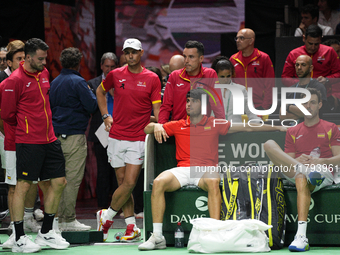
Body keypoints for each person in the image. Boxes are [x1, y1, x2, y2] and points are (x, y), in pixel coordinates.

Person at [138, 89, 286, 251]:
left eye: (193, 101)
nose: (189, 104)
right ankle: (158, 237)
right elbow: (147, 129)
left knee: (213, 181)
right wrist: (157, 125)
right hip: (183, 170)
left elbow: (248, 127)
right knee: (159, 182)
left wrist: (278, 128)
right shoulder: (178, 124)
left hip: (205, 170)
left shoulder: (214, 123)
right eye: (187, 101)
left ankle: (216, 233)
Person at [1, 38, 69, 253]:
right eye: (40, 59)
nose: (44, 62)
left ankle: (46, 232)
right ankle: (19, 237)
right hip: (28, 141)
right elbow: (7, 115)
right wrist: (27, 126)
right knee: (23, 185)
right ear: (28, 57)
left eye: (45, 58)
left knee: (59, 182)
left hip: (50, 138)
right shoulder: (13, 81)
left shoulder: (44, 73)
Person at [96, 38, 161, 242]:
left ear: (141, 53)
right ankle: (131, 226)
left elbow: (157, 110)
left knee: (130, 183)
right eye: (127, 52)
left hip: (138, 138)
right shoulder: (115, 74)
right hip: (115, 137)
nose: (130, 55)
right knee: (123, 183)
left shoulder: (152, 78)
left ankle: (105, 217)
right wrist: (106, 115)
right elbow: (100, 91)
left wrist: (160, 124)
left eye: (134, 52)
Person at [264, 88, 340, 252]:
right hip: (297, 167)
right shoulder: (293, 130)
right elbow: (288, 158)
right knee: (268, 144)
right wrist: (297, 161)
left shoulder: (331, 127)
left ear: (319, 105)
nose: (308, 106)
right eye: (304, 103)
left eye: (312, 102)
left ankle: (301, 236)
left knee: (301, 178)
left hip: (321, 170)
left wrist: (321, 160)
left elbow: (339, 158)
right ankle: (302, 169)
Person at [0, 40, 42, 250]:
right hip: (12, 142)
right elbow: (5, 116)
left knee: (24, 185)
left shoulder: (34, 78)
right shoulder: (8, 82)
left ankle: (17, 232)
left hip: (29, 142)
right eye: (18, 59)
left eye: (24, 58)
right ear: (9, 62)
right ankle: (17, 235)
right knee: (14, 187)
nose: (22, 61)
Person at [50, 47, 97, 231]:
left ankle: (55, 220)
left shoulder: (54, 82)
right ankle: (67, 220)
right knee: (72, 179)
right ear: (79, 63)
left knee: (56, 180)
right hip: (74, 137)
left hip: (54, 137)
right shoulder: (78, 82)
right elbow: (92, 105)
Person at [159, 40, 225, 124]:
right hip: (178, 129)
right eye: (185, 56)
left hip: (201, 129)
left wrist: (222, 124)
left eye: (191, 57)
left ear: (201, 58)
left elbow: (217, 104)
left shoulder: (210, 74)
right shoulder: (175, 76)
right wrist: (161, 126)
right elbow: (166, 106)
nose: (186, 61)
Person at [87, 52, 118, 210]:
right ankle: (101, 208)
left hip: (120, 133)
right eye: (107, 66)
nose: (109, 69)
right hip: (101, 134)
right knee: (103, 171)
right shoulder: (92, 84)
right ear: (101, 66)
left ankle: (116, 207)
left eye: (112, 66)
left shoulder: (121, 83)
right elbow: (90, 107)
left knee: (117, 172)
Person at [230, 28, 275, 110]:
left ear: (251, 41)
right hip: (238, 106)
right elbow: (230, 84)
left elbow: (270, 84)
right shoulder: (233, 59)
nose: (237, 41)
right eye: (237, 38)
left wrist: (265, 107)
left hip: (259, 106)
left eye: (242, 38)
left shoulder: (263, 58)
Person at [280, 55, 329, 123]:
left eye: (303, 65)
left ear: (311, 68)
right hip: (292, 129)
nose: (299, 68)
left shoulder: (318, 87)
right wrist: (305, 113)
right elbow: (282, 116)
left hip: (312, 129)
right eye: (297, 65)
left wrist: (288, 107)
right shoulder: (290, 89)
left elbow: (315, 113)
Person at [211, 56, 261, 122]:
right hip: (216, 129)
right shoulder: (210, 90)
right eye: (222, 77)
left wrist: (259, 122)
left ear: (232, 73)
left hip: (236, 129)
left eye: (228, 76)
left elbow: (252, 114)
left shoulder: (241, 90)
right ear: (216, 75)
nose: (226, 79)